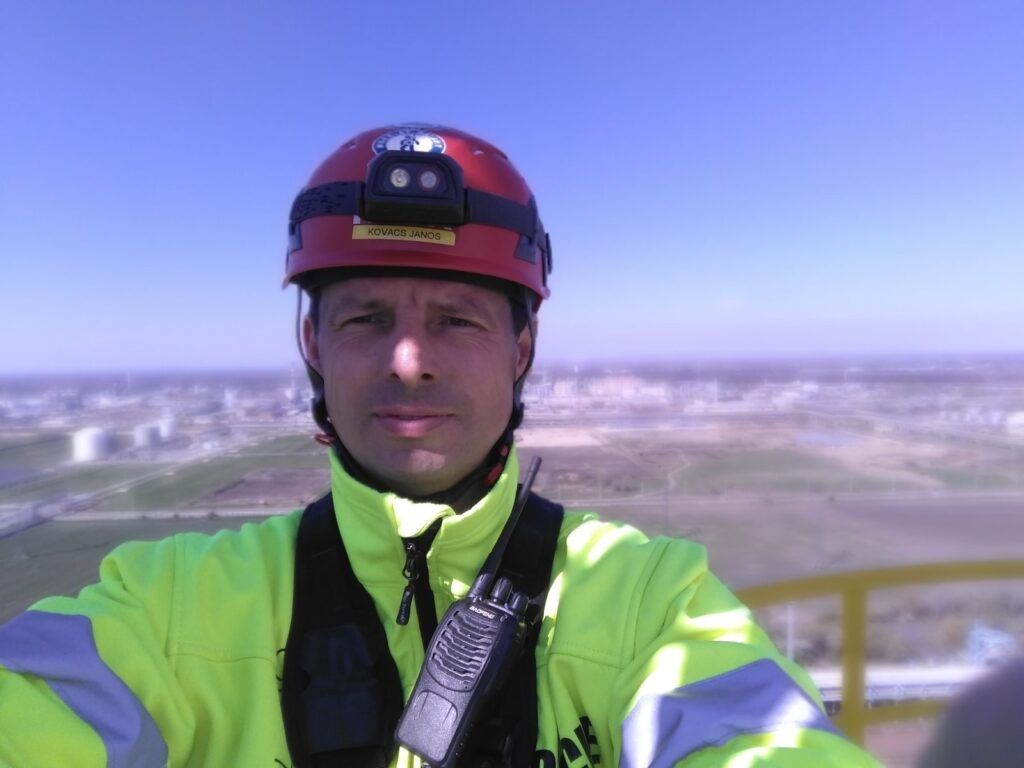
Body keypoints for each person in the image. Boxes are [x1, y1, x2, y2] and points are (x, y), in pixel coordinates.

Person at [0, 124, 880, 767]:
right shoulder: (172, 606)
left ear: (522, 350)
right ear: (313, 346)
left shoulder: (647, 601)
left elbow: (758, 738)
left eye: (457, 320)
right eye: (365, 318)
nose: (408, 361)